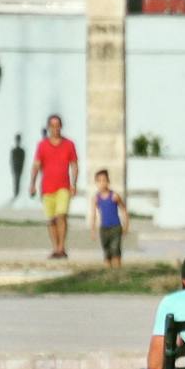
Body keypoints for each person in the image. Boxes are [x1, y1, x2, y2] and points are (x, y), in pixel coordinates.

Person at [27, 114, 79, 259]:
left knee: (61, 215)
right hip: (47, 188)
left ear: (61, 127)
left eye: (57, 126)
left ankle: (62, 247)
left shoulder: (69, 144)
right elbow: (36, 165)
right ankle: (55, 247)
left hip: (63, 186)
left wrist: (74, 184)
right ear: (49, 128)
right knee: (51, 220)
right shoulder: (42, 146)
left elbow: (74, 165)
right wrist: (32, 184)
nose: (55, 129)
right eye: (52, 126)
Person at [88, 169, 129, 268]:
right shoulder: (96, 198)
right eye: (99, 181)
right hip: (104, 228)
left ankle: (117, 272)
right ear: (96, 183)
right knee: (107, 252)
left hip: (115, 227)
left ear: (108, 182)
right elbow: (93, 214)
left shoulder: (114, 196)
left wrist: (126, 225)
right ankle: (107, 274)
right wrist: (93, 230)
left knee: (115, 250)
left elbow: (124, 210)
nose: (102, 183)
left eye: (104, 180)